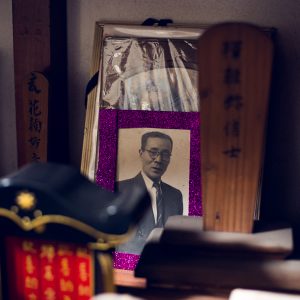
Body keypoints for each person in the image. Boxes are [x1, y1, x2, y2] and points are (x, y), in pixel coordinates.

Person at [116, 131, 183, 254]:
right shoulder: (119, 188)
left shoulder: (175, 195)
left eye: (165, 154)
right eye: (153, 152)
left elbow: (176, 239)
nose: (158, 160)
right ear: (141, 153)